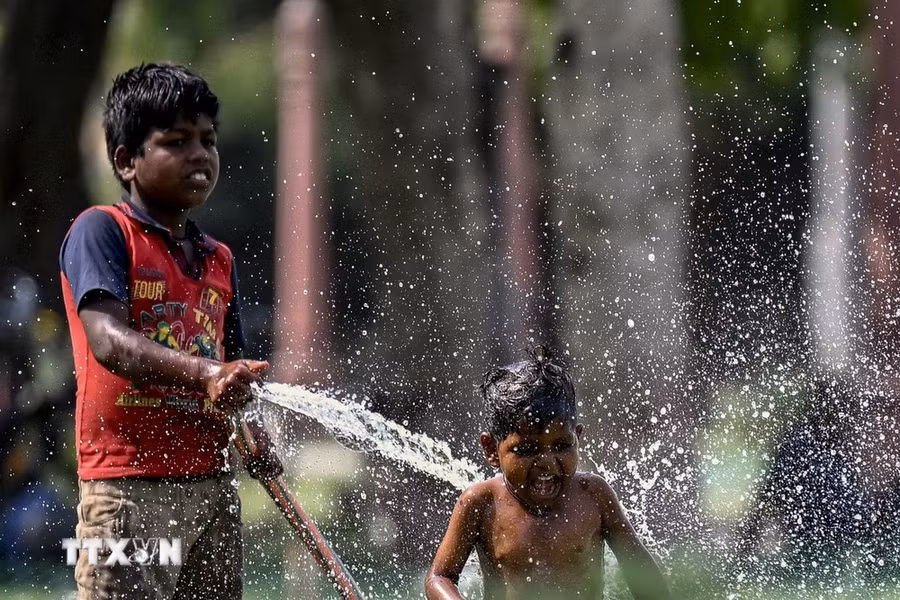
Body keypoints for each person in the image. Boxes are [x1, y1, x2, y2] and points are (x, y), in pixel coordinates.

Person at [59, 62, 282, 599]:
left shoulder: (218, 259)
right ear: (126, 161)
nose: (200, 155)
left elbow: (232, 372)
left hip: (211, 489)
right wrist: (207, 374)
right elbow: (109, 341)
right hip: (126, 491)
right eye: (176, 141)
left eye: (208, 140)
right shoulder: (103, 232)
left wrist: (251, 435)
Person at [425, 345, 670, 599]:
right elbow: (439, 577)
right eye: (527, 449)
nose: (547, 463)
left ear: (577, 438)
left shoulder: (593, 495)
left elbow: (640, 571)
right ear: (491, 450)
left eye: (562, 446)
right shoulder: (481, 502)